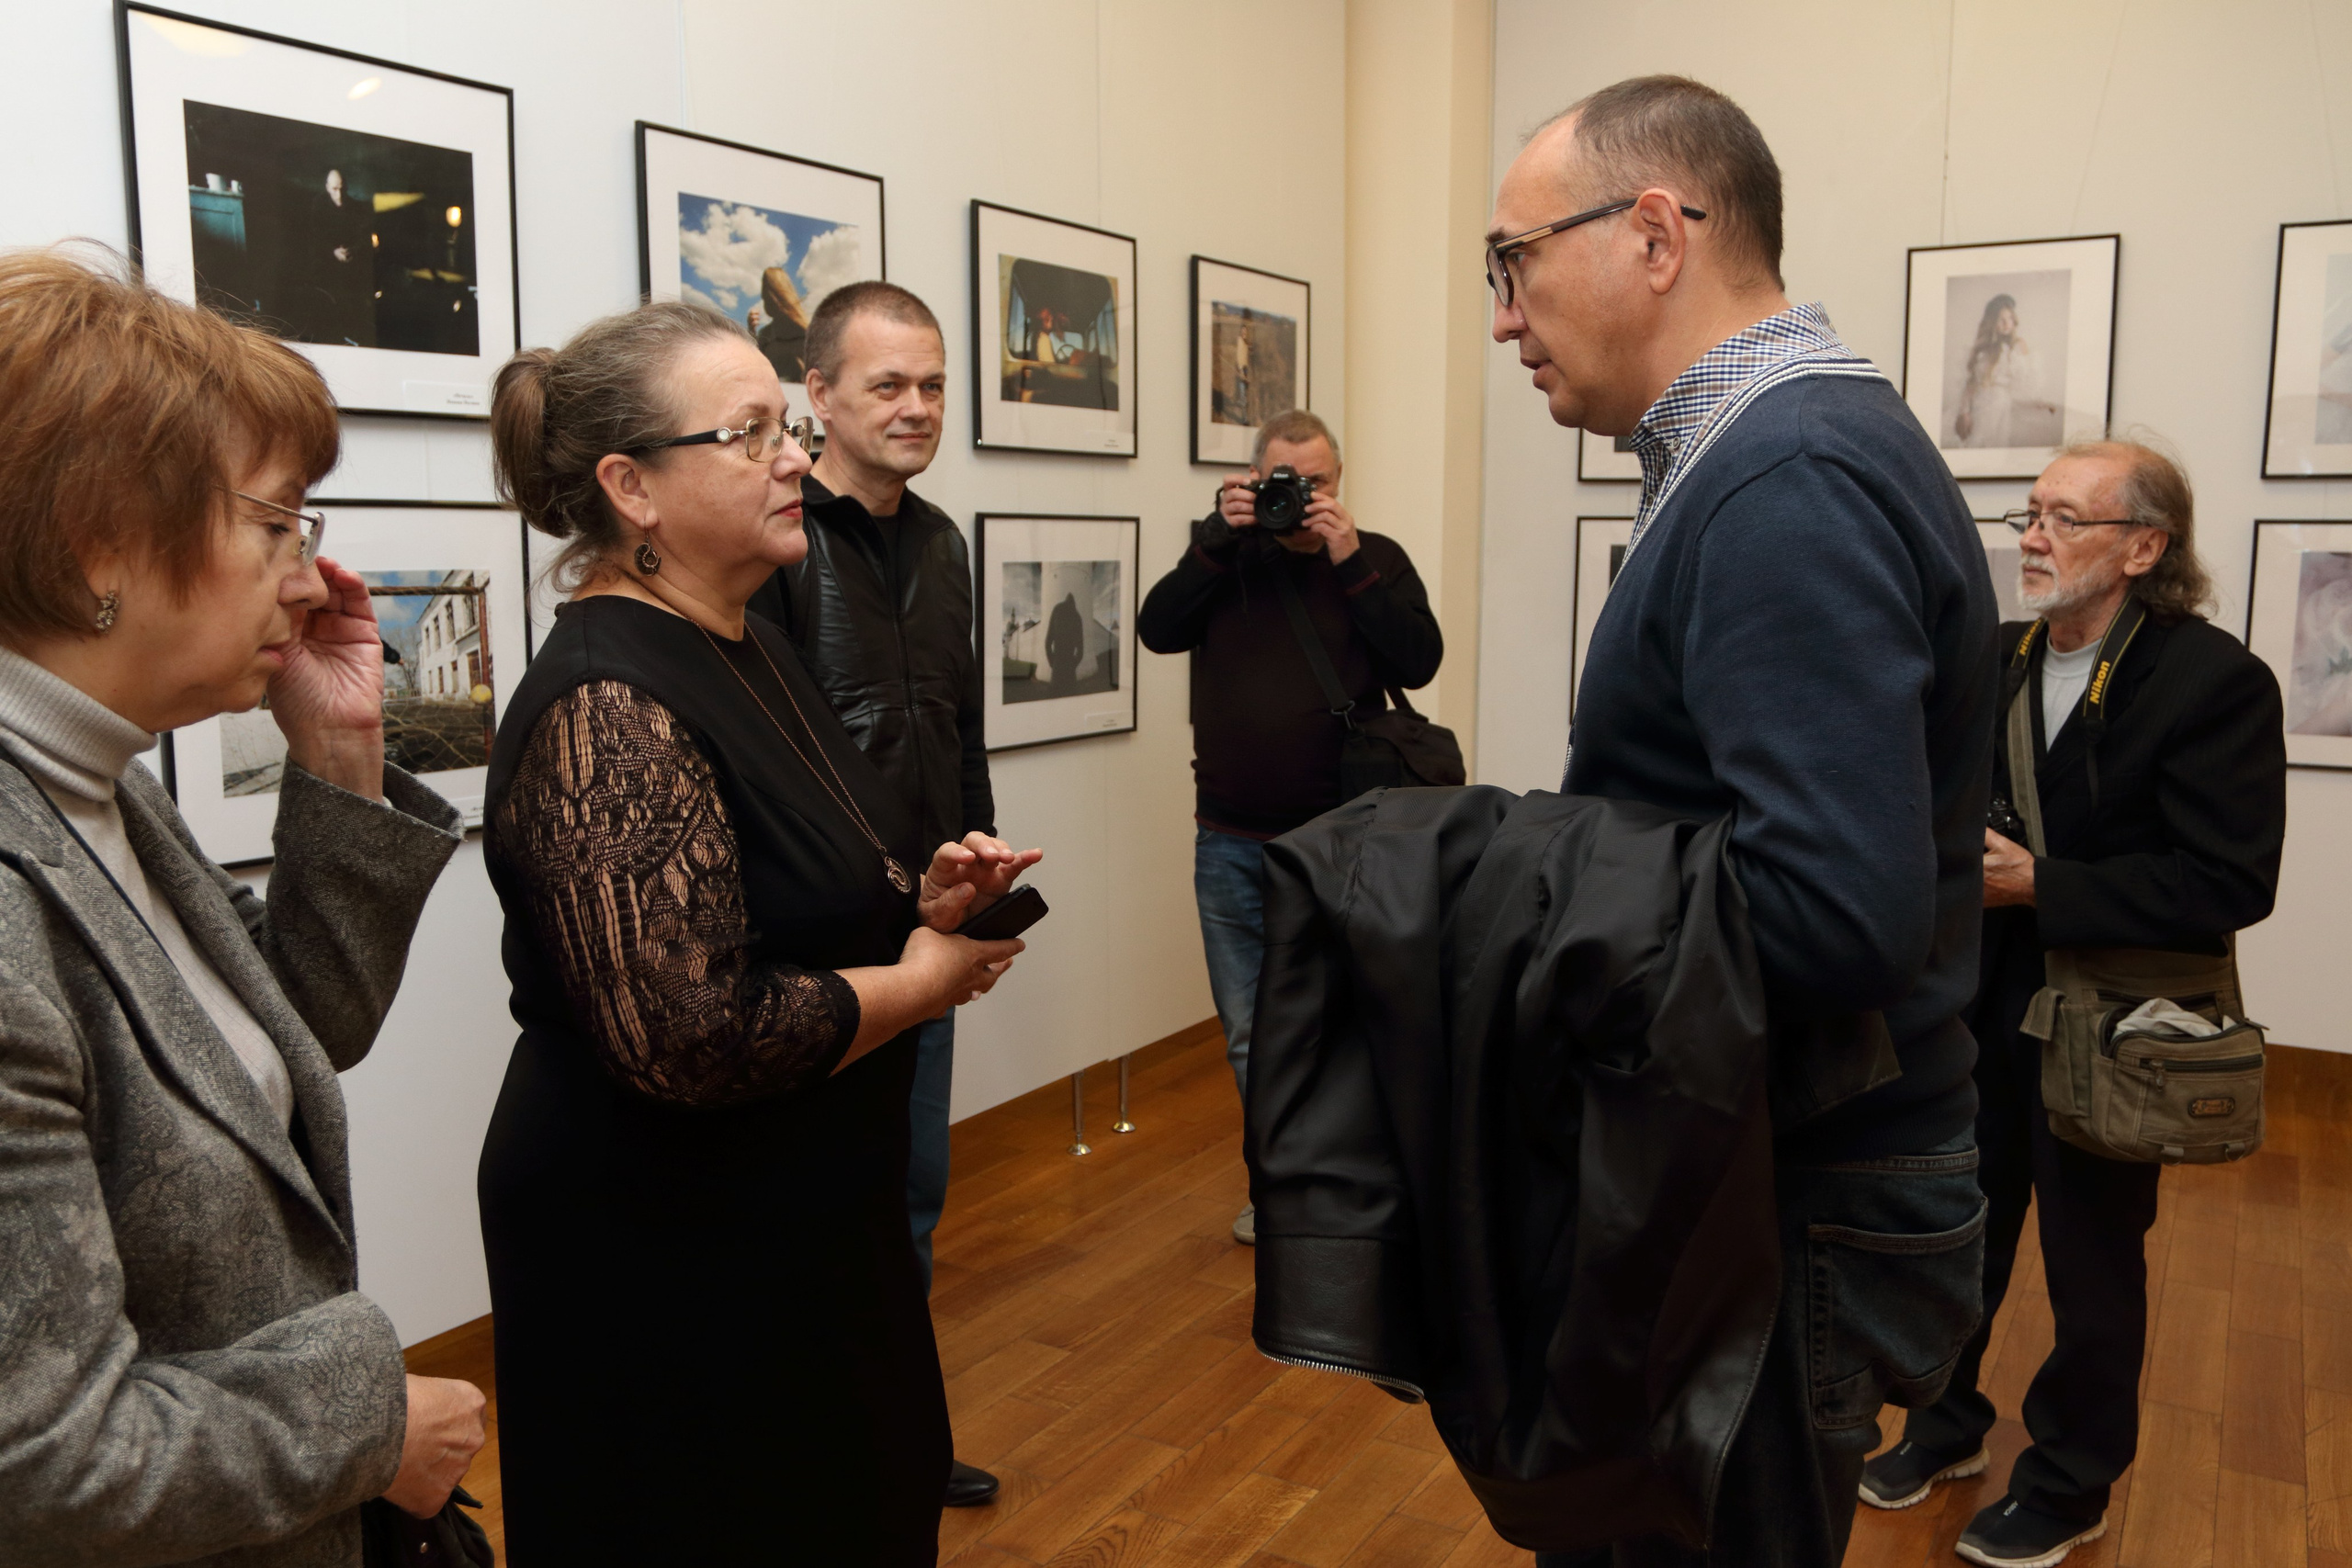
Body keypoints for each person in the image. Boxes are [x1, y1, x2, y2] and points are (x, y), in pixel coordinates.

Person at [1489, 77, 1998, 1566]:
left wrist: (1518, 894)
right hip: (1776, 1169)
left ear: (1655, 232)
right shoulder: (1777, 452)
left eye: (1513, 261)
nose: (1507, 316)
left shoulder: (1787, 476)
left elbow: (1835, 915)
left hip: (1794, 1188)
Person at [476, 299, 1036, 1564]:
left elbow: (786, 883)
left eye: (785, 427)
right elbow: (695, 1035)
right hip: (663, 1249)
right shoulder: (606, 701)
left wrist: (920, 899)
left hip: (795, 1216)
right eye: (750, 435)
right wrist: (923, 978)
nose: (794, 457)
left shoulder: (746, 645)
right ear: (633, 487)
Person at [0, 246, 482, 1564]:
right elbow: (41, 1461)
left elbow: (285, 1030)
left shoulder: (96, 779)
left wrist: (339, 756)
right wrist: (370, 1415)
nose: (309, 575)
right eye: (278, 524)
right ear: (100, 535)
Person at [1861, 441, 2286, 1568]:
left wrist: (2040, 884)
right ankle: (1945, 1426)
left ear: (2144, 548)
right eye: (2028, 514)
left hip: (2115, 1033)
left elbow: (2231, 880)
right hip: (1977, 1008)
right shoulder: (1995, 661)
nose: (2032, 538)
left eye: (2064, 518)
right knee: (1961, 1235)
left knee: (2095, 1268)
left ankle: (2069, 1483)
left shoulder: (2215, 682)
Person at [742, 280, 1006, 1510]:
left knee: (909, 1192)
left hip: (931, 925)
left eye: (933, 384)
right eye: (888, 384)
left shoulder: (946, 542)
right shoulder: (779, 545)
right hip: (816, 944)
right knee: (806, 1204)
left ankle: (897, 1432)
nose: (915, 407)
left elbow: (960, 734)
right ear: (820, 393)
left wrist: (985, 884)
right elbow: (768, 750)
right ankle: (808, 1452)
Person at [1136, 407, 1442, 1246]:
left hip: (1345, 844)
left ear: (1339, 486)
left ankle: (1362, 1189)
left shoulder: (1372, 559)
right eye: (1285, 483)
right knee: (1250, 1034)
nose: (1300, 499)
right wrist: (1212, 539)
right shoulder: (1225, 561)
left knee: (1347, 1024)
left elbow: (1419, 659)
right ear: (1253, 482)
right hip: (1229, 841)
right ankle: (1286, 1192)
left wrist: (1349, 564)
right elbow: (1155, 629)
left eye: (1317, 484)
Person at [1952, 294, 2050, 449]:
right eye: (2001, 319)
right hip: (1979, 405)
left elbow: (2024, 381)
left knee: (1997, 443)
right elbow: (1971, 383)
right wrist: (1965, 412)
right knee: (1975, 442)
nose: (2006, 324)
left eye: (2010, 318)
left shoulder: (2018, 345)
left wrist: (2037, 401)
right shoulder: (1982, 348)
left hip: (2002, 405)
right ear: (1992, 321)